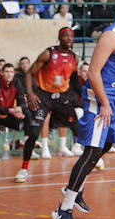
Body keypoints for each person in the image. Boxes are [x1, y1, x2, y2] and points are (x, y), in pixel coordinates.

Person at [51, 0, 115, 219]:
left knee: (104, 147)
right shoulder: (112, 36)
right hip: (98, 99)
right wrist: (103, 103)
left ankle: (76, 188)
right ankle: (65, 208)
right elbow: (93, 72)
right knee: (92, 152)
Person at [16, 27, 81, 183]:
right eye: (65, 36)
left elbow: (74, 79)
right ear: (59, 38)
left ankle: (93, 159)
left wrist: (81, 96)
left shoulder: (74, 58)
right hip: (44, 96)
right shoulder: (49, 54)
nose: (69, 39)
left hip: (63, 96)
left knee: (78, 128)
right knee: (33, 132)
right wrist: (30, 93)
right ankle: (24, 168)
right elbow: (29, 73)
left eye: (71, 36)